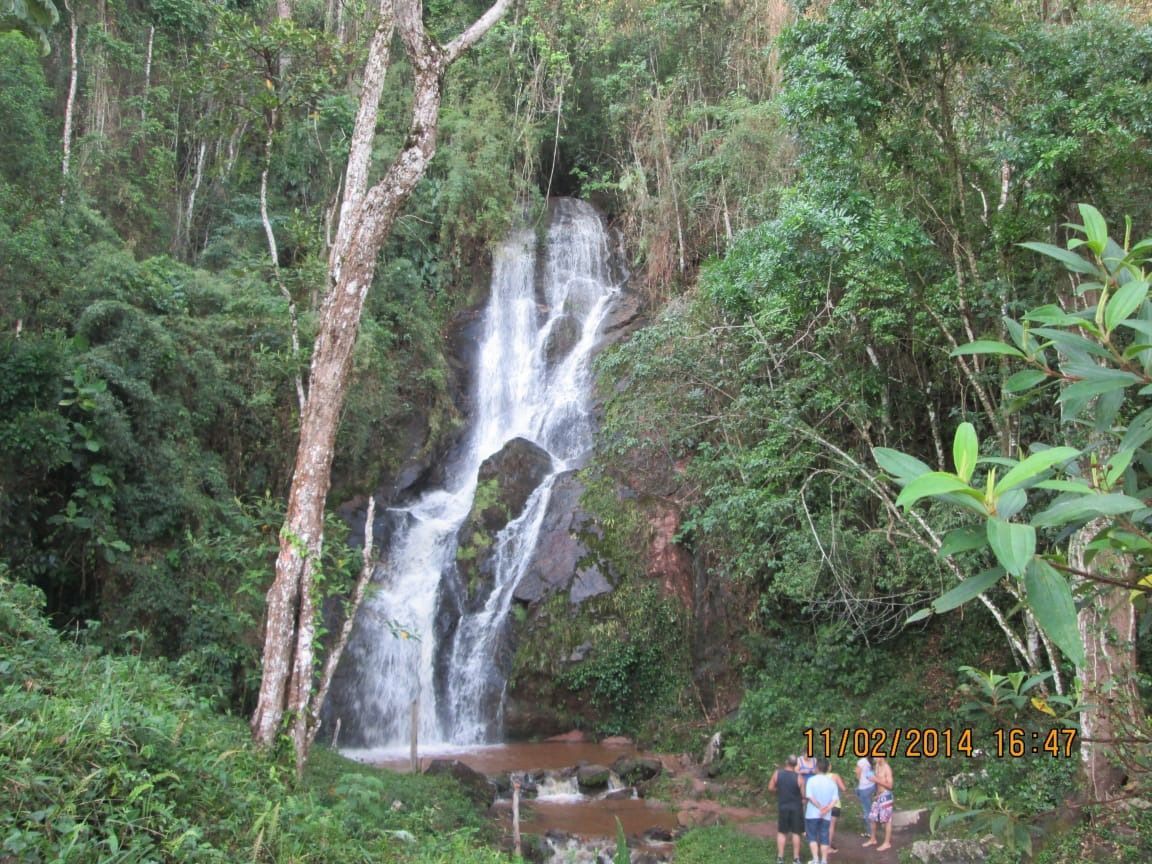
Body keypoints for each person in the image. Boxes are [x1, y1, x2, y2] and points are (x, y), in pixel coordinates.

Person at [768, 755, 805, 864]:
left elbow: (770, 788)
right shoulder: (799, 777)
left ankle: (780, 857)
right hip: (796, 808)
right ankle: (796, 858)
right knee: (796, 833)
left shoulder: (777, 773)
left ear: (786, 762)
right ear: (795, 765)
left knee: (782, 832)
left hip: (783, 806)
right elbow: (803, 795)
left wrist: (779, 790)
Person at [803, 758, 840, 864]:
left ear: (817, 767)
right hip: (826, 816)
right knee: (824, 838)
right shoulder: (832, 783)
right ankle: (823, 861)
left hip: (812, 814)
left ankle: (815, 859)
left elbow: (810, 797)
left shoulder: (811, 780)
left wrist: (820, 807)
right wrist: (826, 809)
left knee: (812, 837)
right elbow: (835, 799)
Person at [862, 754, 894, 852]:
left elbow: (890, 785)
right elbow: (876, 781)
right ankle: (873, 839)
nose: (875, 759)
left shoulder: (887, 768)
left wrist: (876, 780)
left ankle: (887, 843)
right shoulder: (877, 766)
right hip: (878, 796)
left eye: (876, 757)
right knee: (872, 818)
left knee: (887, 821)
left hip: (886, 796)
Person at [826, 763, 848, 853]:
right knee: (831, 826)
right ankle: (827, 847)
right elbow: (843, 788)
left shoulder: (817, 777)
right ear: (829, 767)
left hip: (821, 805)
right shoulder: (835, 776)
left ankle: (822, 845)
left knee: (823, 825)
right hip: (834, 804)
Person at [855, 755, 876, 840]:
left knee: (867, 811)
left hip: (864, 788)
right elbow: (871, 773)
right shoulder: (872, 760)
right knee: (869, 807)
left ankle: (870, 833)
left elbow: (858, 774)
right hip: (872, 786)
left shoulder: (861, 761)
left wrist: (860, 783)